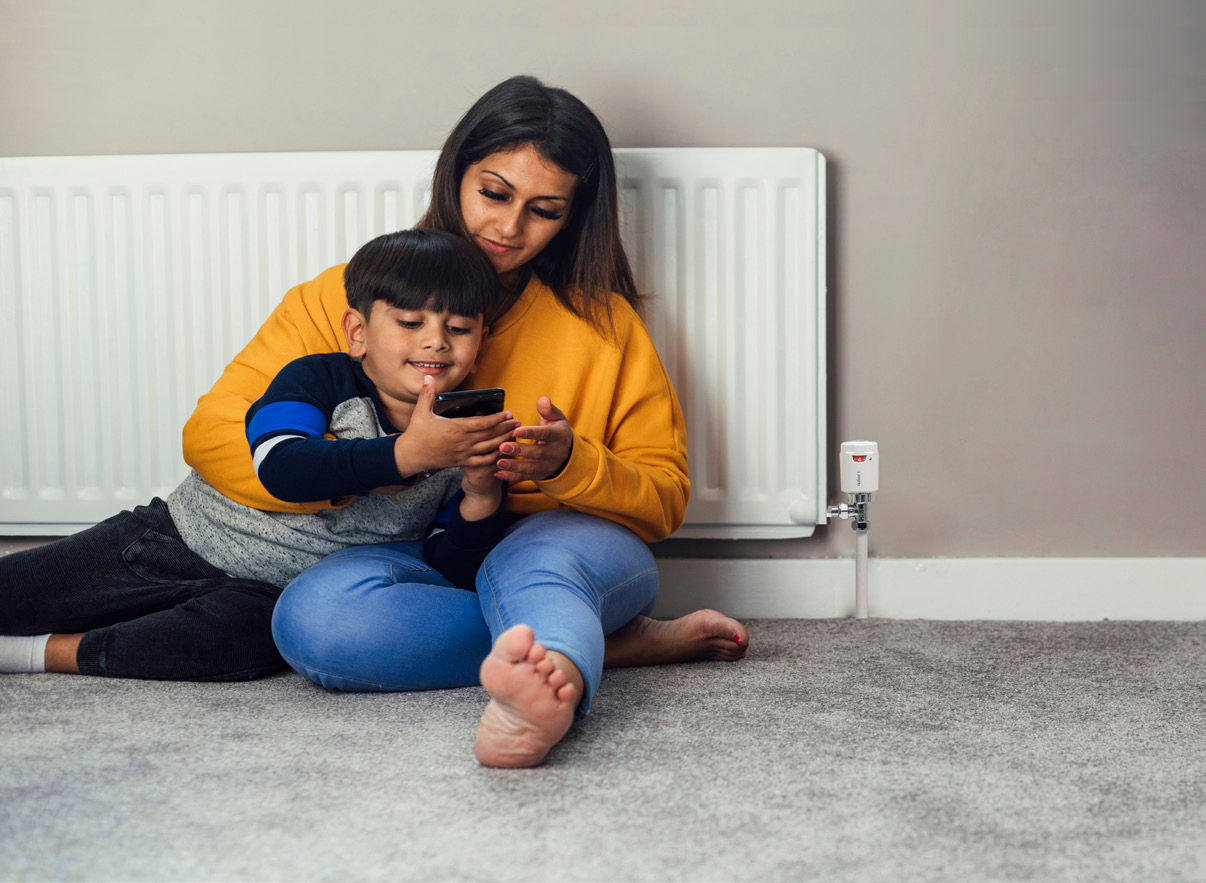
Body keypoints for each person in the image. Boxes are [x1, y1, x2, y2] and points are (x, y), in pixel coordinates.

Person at [150, 75, 749, 767]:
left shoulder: (605, 324)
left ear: (573, 216)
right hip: (417, 545)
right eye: (494, 193)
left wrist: (567, 464)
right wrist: (397, 462)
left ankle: (547, 692)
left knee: (541, 567)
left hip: (552, 541)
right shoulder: (352, 296)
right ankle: (594, 639)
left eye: (544, 209)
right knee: (312, 621)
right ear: (455, 173)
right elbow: (213, 435)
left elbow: (664, 496)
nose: (508, 227)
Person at [0, 229, 512, 680]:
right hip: (177, 538)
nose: (436, 343)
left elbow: (447, 568)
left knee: (239, 648)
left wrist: (481, 497)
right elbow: (280, 466)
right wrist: (402, 454)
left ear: (480, 338)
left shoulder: (468, 435)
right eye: (410, 322)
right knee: (21, 591)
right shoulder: (316, 378)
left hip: (262, 595)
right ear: (358, 333)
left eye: (458, 329)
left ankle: (34, 653)